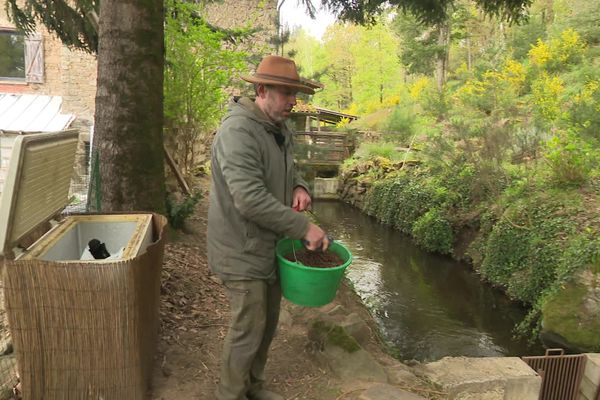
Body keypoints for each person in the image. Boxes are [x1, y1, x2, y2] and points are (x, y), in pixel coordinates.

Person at [207, 55, 330, 400]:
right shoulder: (238, 132)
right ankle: (229, 394)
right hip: (240, 247)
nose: (294, 100)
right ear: (261, 90)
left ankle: (254, 387)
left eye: (296, 93)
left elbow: (289, 166)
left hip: (267, 245)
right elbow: (249, 198)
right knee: (248, 328)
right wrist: (303, 228)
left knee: (268, 322)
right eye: (287, 92)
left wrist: (299, 186)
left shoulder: (278, 126)